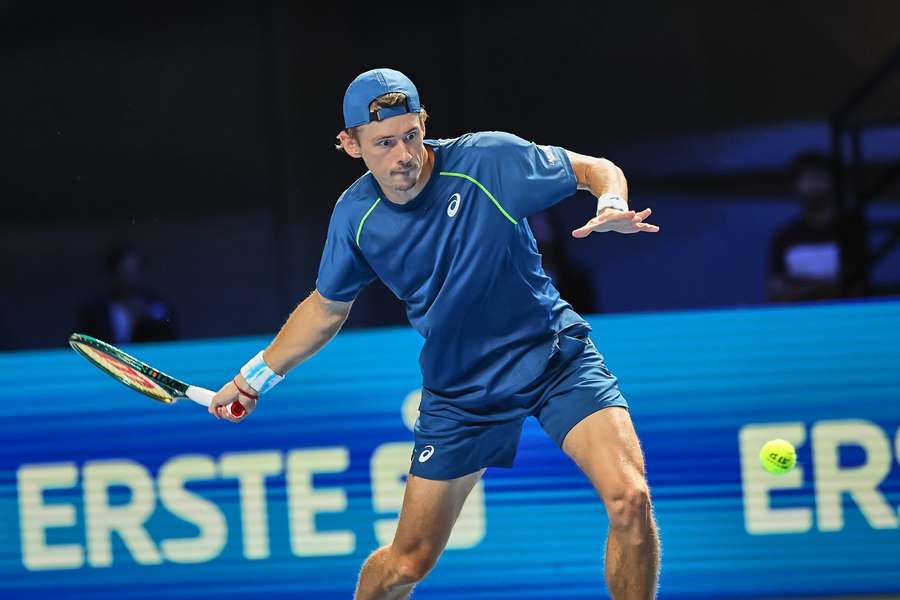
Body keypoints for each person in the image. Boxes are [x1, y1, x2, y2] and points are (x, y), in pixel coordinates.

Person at [210, 68, 660, 599]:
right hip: (460, 391)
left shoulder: (486, 161)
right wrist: (252, 379)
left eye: (410, 134)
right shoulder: (356, 217)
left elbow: (594, 169)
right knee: (405, 566)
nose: (403, 154)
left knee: (630, 500)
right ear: (350, 144)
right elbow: (326, 310)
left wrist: (610, 203)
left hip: (553, 358)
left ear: (424, 123)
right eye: (382, 143)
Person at [768, 151, 867, 302]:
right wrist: (821, 289)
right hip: (796, 320)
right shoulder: (785, 237)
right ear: (795, 185)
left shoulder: (850, 231)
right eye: (807, 179)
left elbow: (856, 286)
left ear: (832, 181)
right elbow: (776, 291)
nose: (814, 184)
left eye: (819, 177)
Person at [77, 244, 177, 344]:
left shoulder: (159, 307)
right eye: (125, 270)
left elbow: (171, 342)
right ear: (114, 273)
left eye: (135, 270)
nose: (131, 277)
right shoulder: (95, 311)